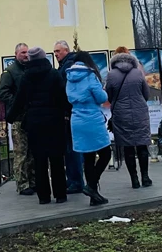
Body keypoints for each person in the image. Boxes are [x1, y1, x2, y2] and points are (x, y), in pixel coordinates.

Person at [8, 47, 68, 205]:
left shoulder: (26, 76)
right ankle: (60, 194)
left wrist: (10, 117)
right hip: (55, 122)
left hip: (35, 123)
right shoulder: (54, 74)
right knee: (56, 160)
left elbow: (19, 100)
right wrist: (67, 113)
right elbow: (63, 97)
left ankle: (44, 197)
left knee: (39, 161)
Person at [65, 54, 111, 206]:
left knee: (89, 158)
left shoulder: (69, 76)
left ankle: (94, 197)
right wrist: (104, 91)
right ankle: (91, 186)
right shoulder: (90, 75)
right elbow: (101, 97)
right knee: (105, 154)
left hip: (76, 119)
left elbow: (69, 98)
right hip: (92, 119)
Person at [106, 50, 153, 189]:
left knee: (128, 148)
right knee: (142, 145)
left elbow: (108, 95)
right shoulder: (138, 72)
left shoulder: (111, 74)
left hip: (121, 114)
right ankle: (145, 177)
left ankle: (134, 180)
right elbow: (146, 93)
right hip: (140, 114)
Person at [0, 42, 35, 196]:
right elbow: (3, 93)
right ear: (16, 54)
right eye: (23, 53)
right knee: (21, 154)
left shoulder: (31, 69)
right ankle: (22, 184)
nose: (26, 55)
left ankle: (33, 181)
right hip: (19, 119)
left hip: (32, 117)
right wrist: (18, 103)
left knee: (32, 153)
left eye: (27, 53)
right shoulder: (10, 72)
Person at [52, 40, 85, 195]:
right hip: (70, 112)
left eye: (58, 51)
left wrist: (65, 111)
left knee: (72, 149)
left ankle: (76, 181)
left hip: (69, 113)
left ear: (66, 50)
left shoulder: (68, 67)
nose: (56, 54)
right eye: (55, 52)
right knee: (70, 148)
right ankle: (72, 179)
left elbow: (65, 91)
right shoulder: (67, 65)